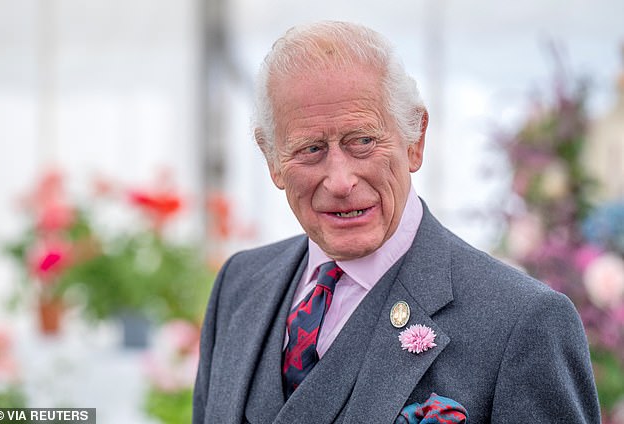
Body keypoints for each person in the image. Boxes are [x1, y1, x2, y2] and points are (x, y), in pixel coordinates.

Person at [192, 21, 601, 423]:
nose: (340, 181)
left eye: (363, 141)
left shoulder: (521, 322)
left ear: (415, 141)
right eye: (311, 148)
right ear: (272, 161)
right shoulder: (239, 285)